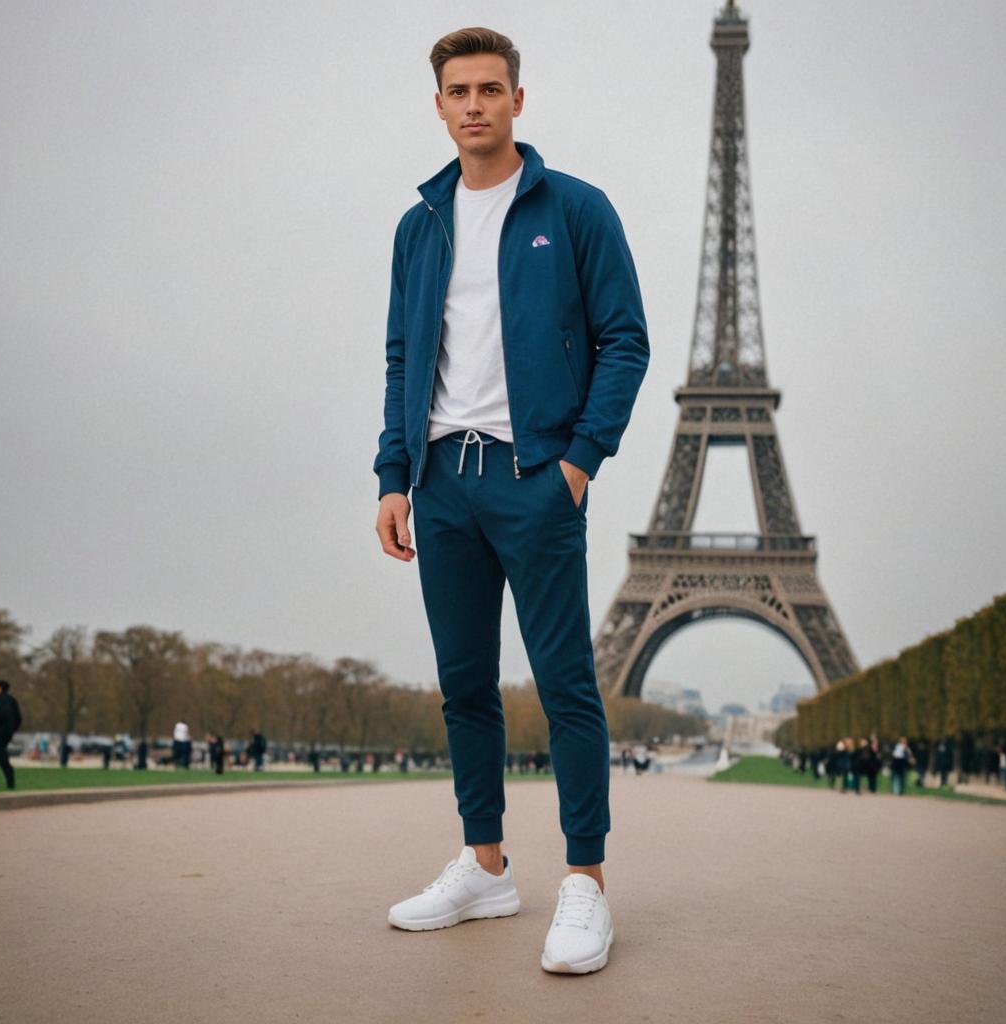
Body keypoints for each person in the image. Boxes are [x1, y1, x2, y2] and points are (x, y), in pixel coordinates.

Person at [374, 27, 648, 975]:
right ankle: (485, 863)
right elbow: (404, 358)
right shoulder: (420, 225)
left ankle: (585, 882)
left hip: (536, 477)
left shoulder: (575, 210)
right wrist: (391, 476)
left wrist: (579, 462)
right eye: (459, 90)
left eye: (492, 88)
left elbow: (626, 340)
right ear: (440, 105)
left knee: (566, 683)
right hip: (443, 479)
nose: (476, 104)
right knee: (464, 686)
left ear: (518, 101)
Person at [0, 679, 23, 790]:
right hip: (5, 734)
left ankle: (6, 778)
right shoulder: (11, 700)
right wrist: (11, 730)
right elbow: (18, 719)